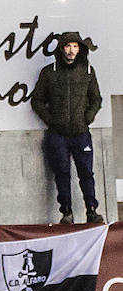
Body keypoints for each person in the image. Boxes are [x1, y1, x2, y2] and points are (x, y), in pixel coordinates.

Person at [30, 31, 104, 225]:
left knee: (86, 173)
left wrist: (87, 118)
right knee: (62, 174)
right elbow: (37, 100)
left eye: (75, 46)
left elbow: (96, 99)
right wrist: (51, 120)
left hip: (81, 133)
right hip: (57, 134)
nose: (71, 50)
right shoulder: (49, 72)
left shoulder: (88, 70)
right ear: (61, 48)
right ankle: (67, 213)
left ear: (80, 49)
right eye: (68, 46)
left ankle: (92, 211)